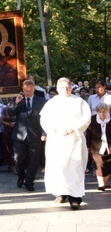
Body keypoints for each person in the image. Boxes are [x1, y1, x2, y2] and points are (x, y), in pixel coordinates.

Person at [41, 77, 92, 209]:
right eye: (63, 87)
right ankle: (61, 192)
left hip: (74, 140)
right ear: (58, 89)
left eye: (68, 87)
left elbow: (86, 119)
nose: (66, 89)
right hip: (57, 140)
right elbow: (44, 120)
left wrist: (74, 128)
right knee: (59, 168)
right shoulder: (51, 103)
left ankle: (75, 196)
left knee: (75, 168)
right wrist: (56, 129)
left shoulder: (79, 102)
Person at [8, 79, 47, 192]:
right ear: (22, 90)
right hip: (19, 135)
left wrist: (44, 133)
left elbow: (45, 118)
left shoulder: (41, 101)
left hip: (35, 134)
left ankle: (29, 182)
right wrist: (16, 103)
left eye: (29, 91)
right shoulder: (18, 99)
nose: (27, 93)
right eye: (25, 90)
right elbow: (10, 112)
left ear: (34, 89)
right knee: (18, 158)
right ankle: (21, 176)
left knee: (33, 160)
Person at [86, 102, 111, 191]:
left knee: (108, 164)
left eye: (104, 111)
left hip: (109, 147)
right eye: (100, 112)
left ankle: (105, 183)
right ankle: (101, 184)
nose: (102, 114)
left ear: (108, 111)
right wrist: (88, 146)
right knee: (99, 164)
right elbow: (88, 134)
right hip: (96, 147)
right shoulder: (92, 120)